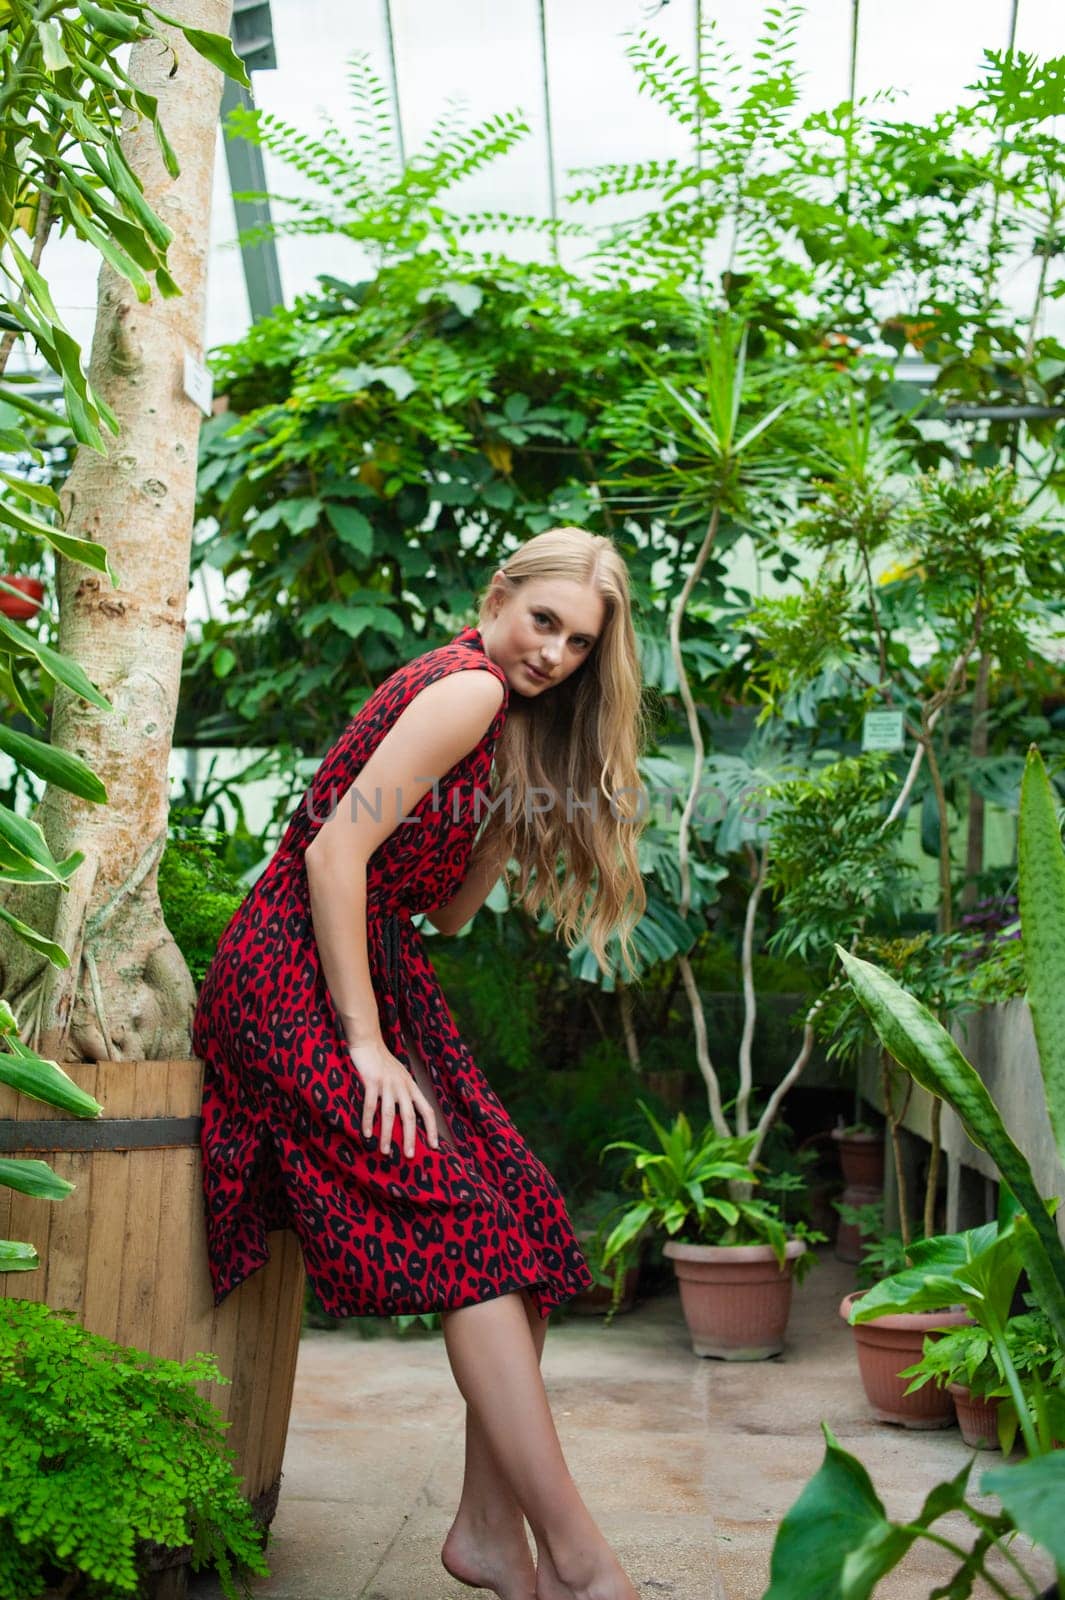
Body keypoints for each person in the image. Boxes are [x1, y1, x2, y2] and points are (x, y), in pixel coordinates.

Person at [192, 526, 648, 1600]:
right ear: (500, 595)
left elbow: (442, 912)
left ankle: (491, 1533)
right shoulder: (468, 688)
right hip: (295, 973)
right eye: (546, 622)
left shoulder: (499, 717)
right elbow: (330, 850)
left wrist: (508, 819)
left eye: (580, 644)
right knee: (468, 1231)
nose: (555, 655)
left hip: (379, 962)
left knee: (525, 1222)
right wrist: (361, 1041)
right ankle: (581, 1561)